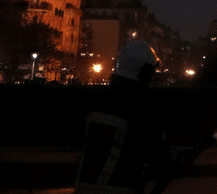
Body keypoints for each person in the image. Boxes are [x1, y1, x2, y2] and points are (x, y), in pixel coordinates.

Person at [75, 39, 177, 194]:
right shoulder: (141, 104)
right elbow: (155, 151)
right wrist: (175, 160)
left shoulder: (98, 100)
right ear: (144, 71)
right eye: (151, 72)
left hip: (84, 186)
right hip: (121, 187)